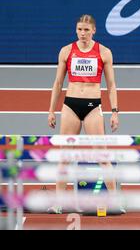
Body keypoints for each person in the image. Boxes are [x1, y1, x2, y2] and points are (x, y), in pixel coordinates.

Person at [47, 14, 121, 214]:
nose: (82, 33)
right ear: (76, 30)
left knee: (102, 156)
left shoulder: (104, 52)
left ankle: (114, 201)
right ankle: (58, 202)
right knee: (64, 156)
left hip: (92, 106)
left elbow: (112, 85)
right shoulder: (66, 51)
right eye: (79, 29)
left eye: (86, 30)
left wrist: (115, 112)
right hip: (70, 105)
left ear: (94, 30)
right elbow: (57, 83)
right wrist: (51, 110)